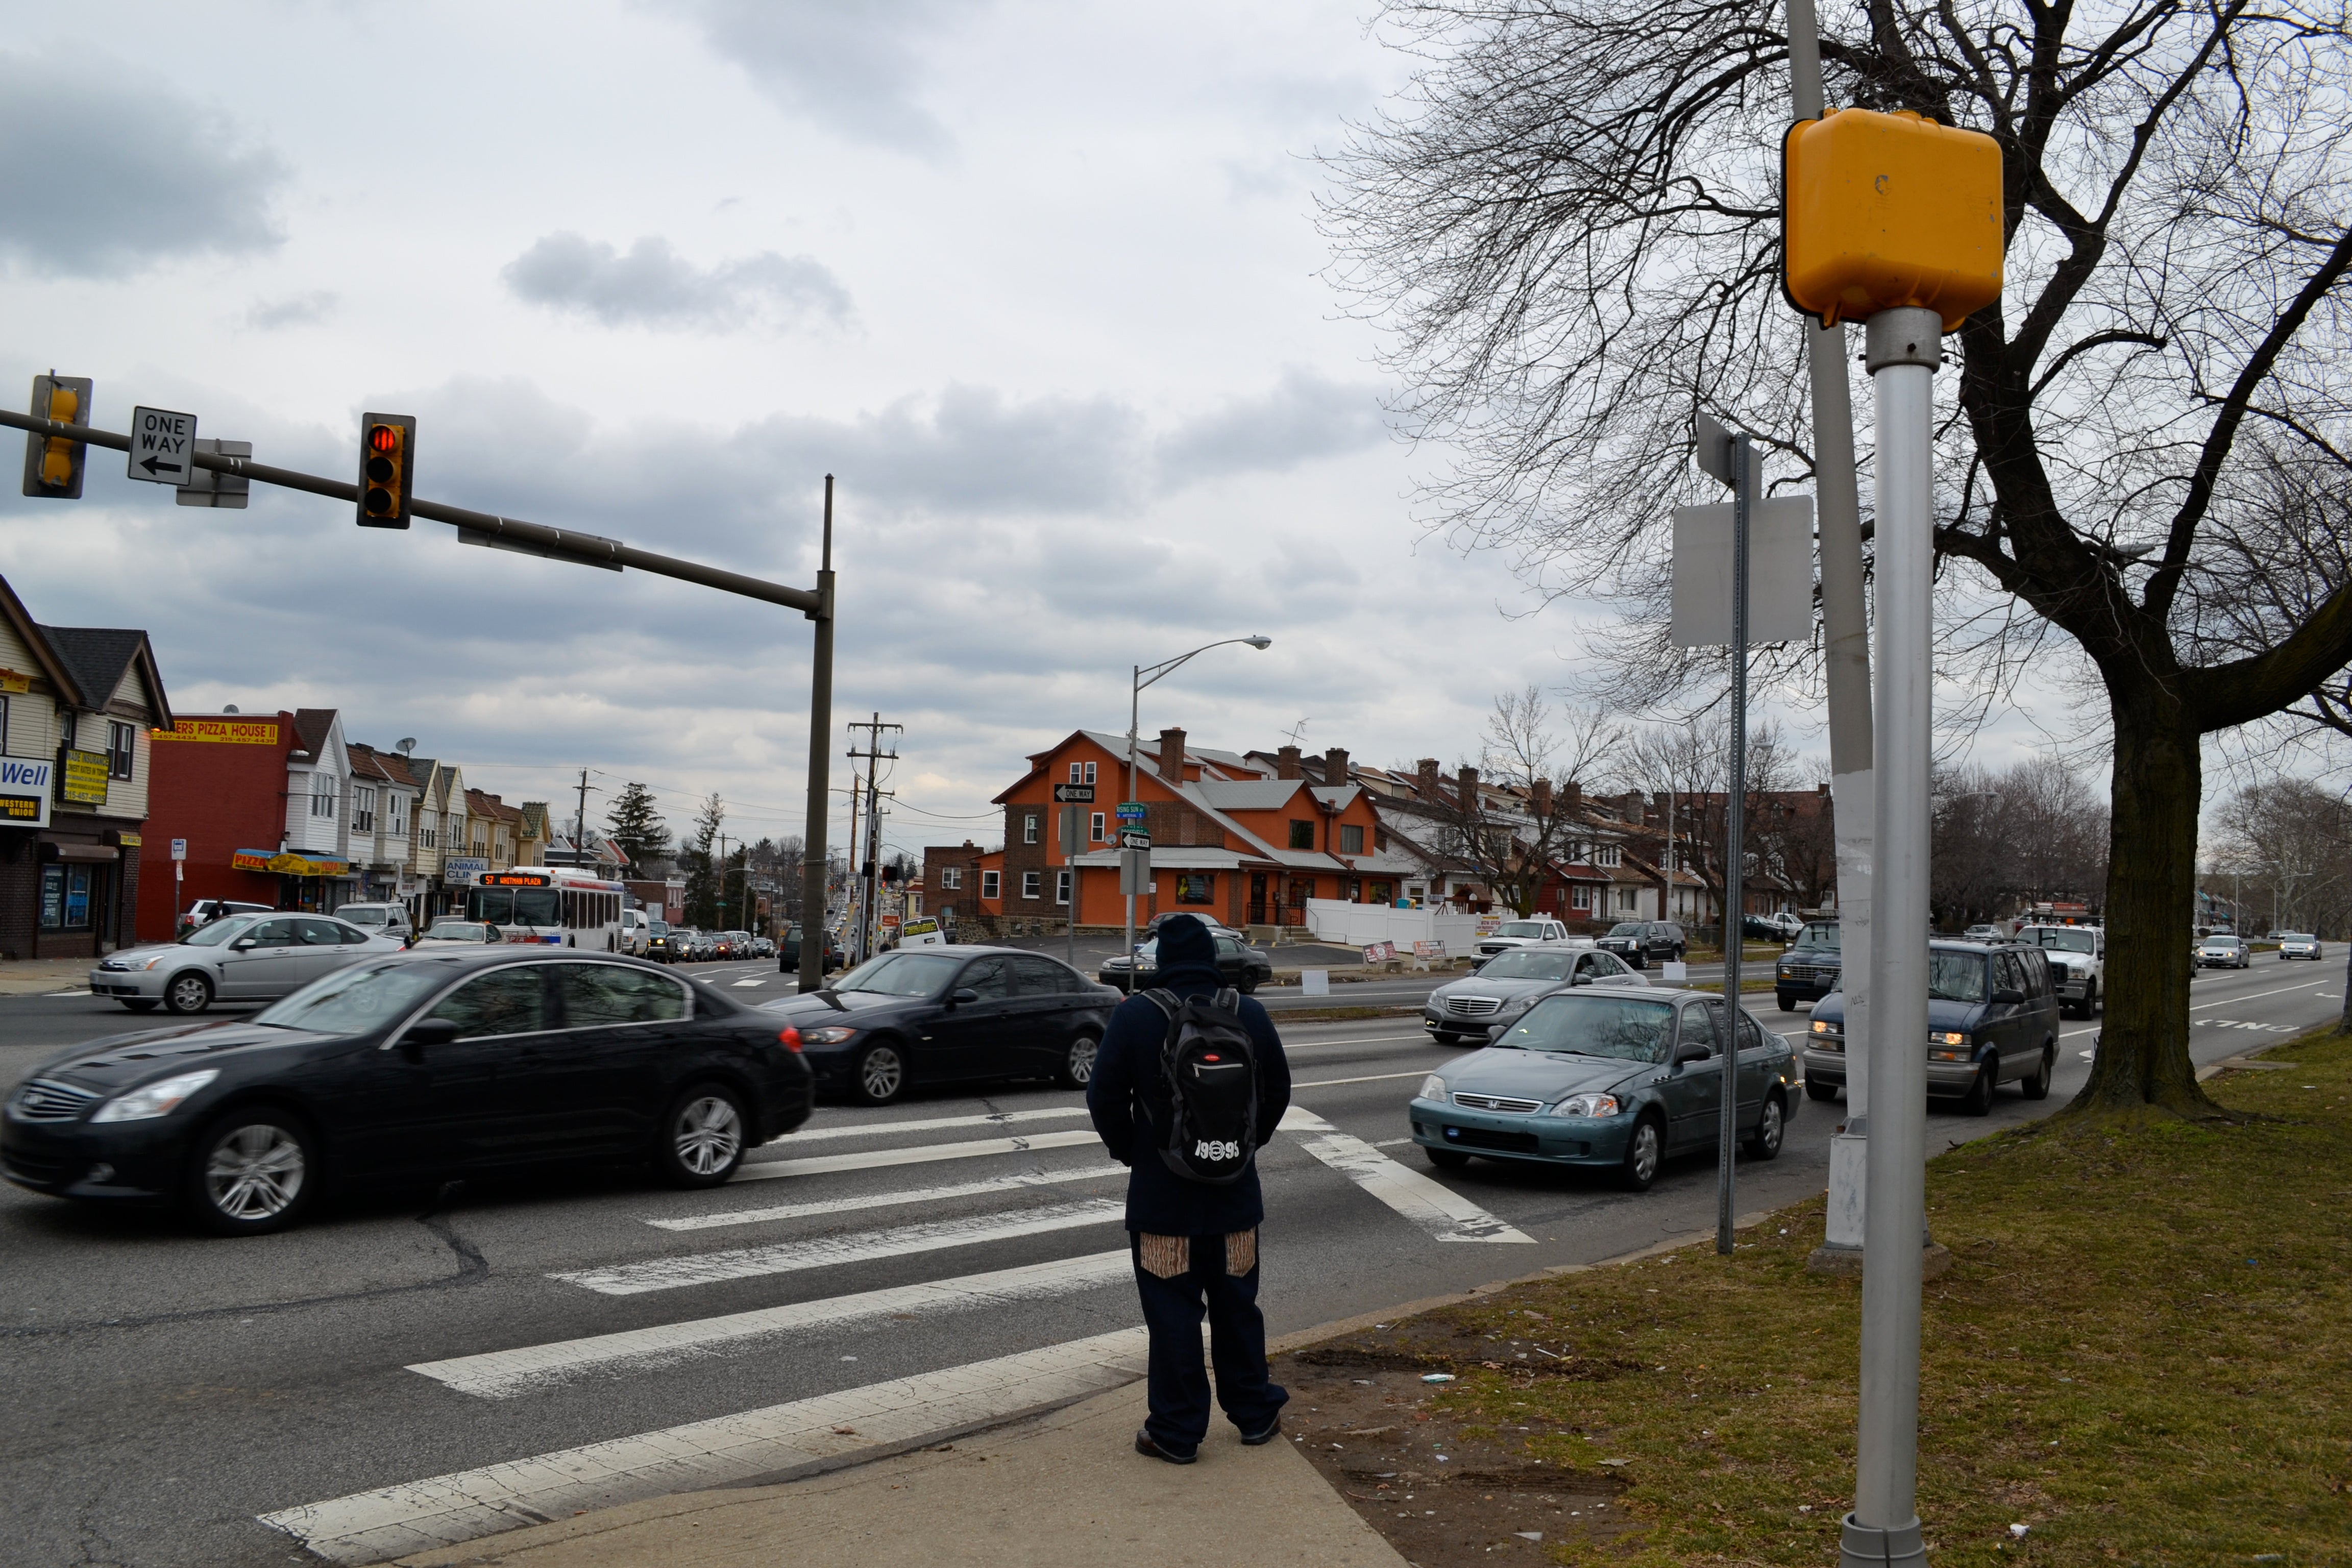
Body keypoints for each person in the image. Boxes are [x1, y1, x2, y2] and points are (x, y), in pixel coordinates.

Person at [1086, 913, 1291, 1464]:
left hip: (1163, 1202)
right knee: (1237, 1305)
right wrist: (1246, 1148)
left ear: (1160, 962)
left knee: (1173, 1312)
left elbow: (1103, 1099)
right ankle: (1255, 1413)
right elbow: (1277, 1091)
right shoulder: (1247, 1013)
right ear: (1213, 958)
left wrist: (1138, 1152)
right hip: (1235, 1197)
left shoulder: (1135, 1017)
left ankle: (1175, 1432)